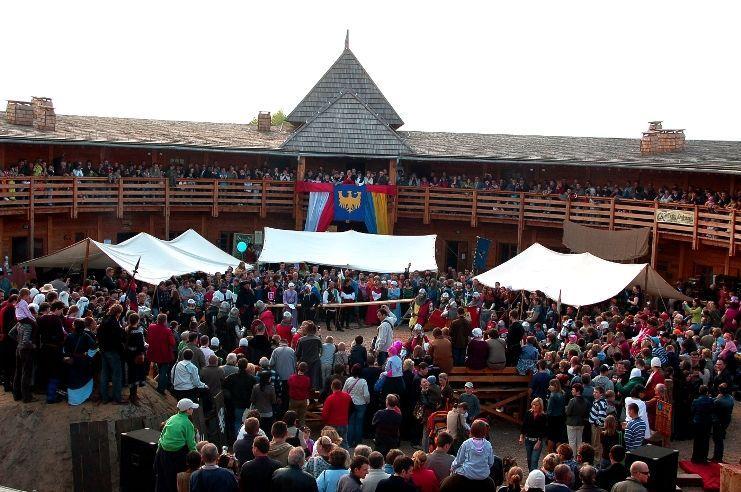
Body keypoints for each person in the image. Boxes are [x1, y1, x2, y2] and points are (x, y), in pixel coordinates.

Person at [155, 398, 199, 492]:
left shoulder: (172, 418)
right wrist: (197, 457)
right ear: (187, 410)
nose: (193, 410)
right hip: (176, 455)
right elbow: (191, 444)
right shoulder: (188, 424)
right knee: (174, 482)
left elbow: (162, 434)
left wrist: (159, 449)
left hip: (163, 452)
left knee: (162, 479)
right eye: (192, 408)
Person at [63, 318, 97, 405]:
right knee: (84, 378)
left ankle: (73, 400)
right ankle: (84, 396)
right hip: (83, 360)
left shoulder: (69, 336)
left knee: (73, 379)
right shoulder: (86, 336)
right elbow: (94, 347)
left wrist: (67, 357)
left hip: (72, 361)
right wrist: (89, 356)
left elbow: (64, 349)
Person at [98, 303, 126, 404]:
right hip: (113, 351)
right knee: (116, 374)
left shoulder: (104, 320)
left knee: (104, 374)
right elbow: (118, 339)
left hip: (103, 350)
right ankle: (117, 398)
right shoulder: (113, 323)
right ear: (118, 313)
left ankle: (105, 397)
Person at [224, 358, 257, 438]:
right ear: (246, 366)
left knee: (237, 422)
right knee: (248, 422)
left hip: (236, 404)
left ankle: (238, 438)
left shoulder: (231, 377)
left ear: (237, 365)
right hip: (247, 404)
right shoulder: (252, 379)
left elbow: (224, 386)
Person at [148, 313, 177, 394]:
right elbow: (172, 343)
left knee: (160, 370)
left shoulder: (151, 327)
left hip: (153, 352)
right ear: (165, 321)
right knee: (163, 372)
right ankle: (161, 389)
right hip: (164, 355)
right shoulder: (167, 331)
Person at [343, 363, 370, 447]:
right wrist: (367, 401)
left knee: (350, 423)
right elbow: (366, 394)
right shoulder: (363, 381)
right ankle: (358, 442)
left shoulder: (348, 380)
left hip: (350, 403)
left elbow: (344, 391)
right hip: (361, 404)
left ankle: (349, 442)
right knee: (359, 424)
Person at [125, 313, 147, 406]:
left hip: (129, 356)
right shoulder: (137, 332)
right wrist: (145, 347)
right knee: (135, 375)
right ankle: (133, 396)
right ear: (137, 320)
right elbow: (140, 346)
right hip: (136, 356)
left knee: (131, 374)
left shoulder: (126, 329)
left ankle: (133, 394)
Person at [521, 397, 548, 471]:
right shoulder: (528, 413)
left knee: (534, 460)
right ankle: (531, 475)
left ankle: (533, 477)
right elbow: (524, 426)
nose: (534, 406)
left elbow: (543, 430)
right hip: (528, 440)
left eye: (536, 405)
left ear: (540, 406)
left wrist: (539, 442)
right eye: (533, 404)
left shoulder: (543, 416)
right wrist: (521, 436)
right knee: (529, 460)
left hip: (537, 440)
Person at [690, 385, 714, 463]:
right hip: (707, 422)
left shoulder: (696, 401)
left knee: (697, 440)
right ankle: (704, 457)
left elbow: (692, 411)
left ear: (700, 391)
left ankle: (696, 457)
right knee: (705, 440)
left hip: (698, 422)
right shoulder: (710, 400)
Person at [296, 321, 323, 390]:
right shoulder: (318, 339)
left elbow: (298, 353)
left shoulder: (301, 340)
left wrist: (298, 361)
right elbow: (321, 351)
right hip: (315, 362)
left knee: (305, 381)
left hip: (305, 362)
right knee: (315, 380)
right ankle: (313, 397)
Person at [711, 383, 734, 462]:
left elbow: (713, 407)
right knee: (719, 439)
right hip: (726, 421)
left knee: (717, 439)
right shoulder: (730, 398)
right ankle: (717, 457)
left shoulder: (718, 401)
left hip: (718, 422)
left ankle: (717, 457)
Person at [566, 382, 589, 453]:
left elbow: (568, 413)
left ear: (578, 391)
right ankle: (579, 456)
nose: (572, 391)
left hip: (571, 423)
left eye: (573, 389)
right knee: (579, 442)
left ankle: (573, 458)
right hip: (581, 423)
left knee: (572, 442)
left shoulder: (572, 401)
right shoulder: (585, 401)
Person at [288, 361, 312, 427]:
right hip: (303, 400)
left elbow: (289, 384)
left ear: (298, 368)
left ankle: (292, 430)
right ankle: (303, 431)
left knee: (292, 417)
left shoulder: (292, 378)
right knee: (302, 418)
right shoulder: (307, 379)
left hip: (294, 400)